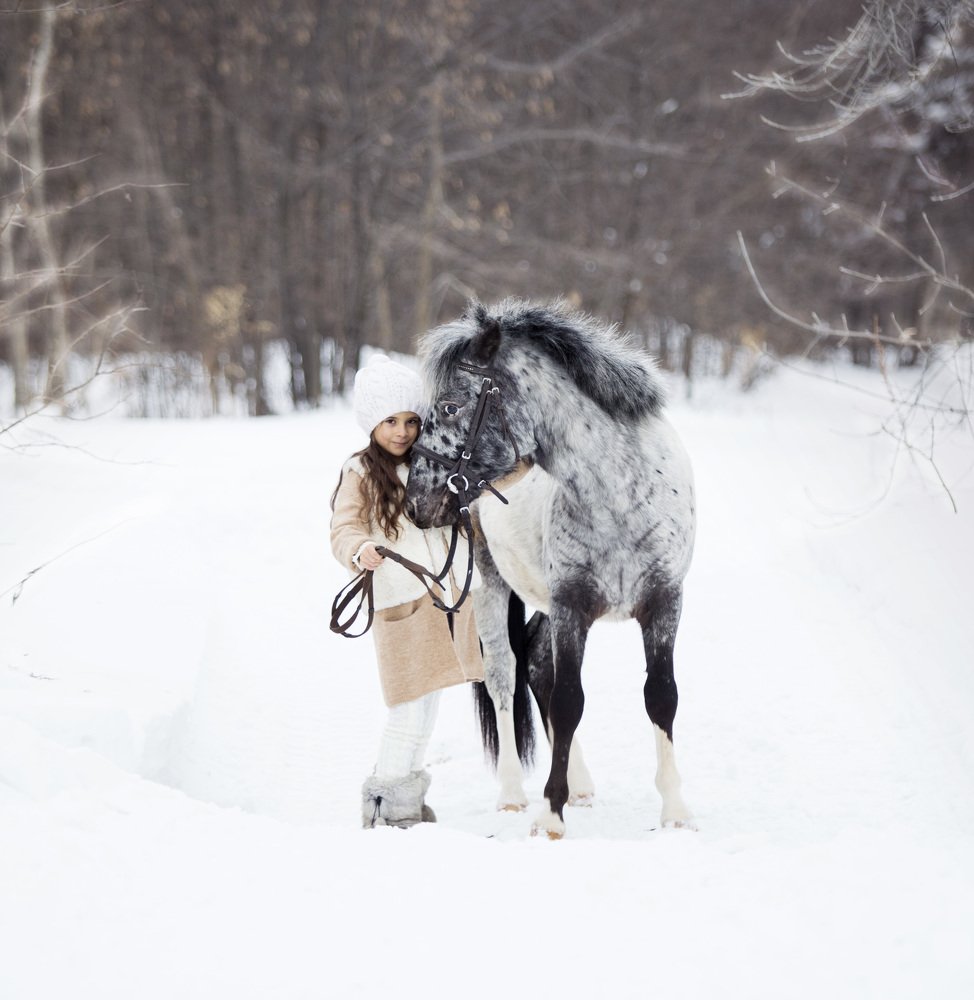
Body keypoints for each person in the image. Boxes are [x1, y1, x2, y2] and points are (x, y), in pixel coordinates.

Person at [330, 354, 484, 829]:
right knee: (407, 708)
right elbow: (343, 527)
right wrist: (360, 550)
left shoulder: (429, 466)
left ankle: (406, 804)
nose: (402, 431)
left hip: (443, 600)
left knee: (427, 707)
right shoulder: (359, 469)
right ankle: (384, 809)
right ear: (371, 422)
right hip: (402, 602)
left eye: (412, 420)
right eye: (390, 421)